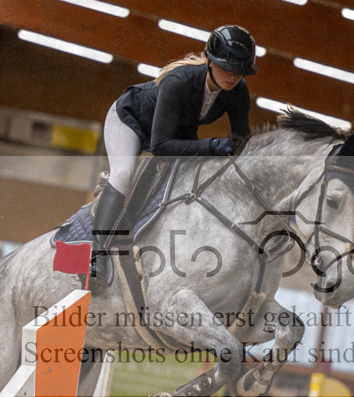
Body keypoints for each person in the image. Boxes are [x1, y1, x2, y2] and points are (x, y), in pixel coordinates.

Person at [91, 24, 258, 284]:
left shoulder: (238, 92)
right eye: (227, 67)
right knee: (124, 173)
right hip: (130, 119)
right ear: (210, 62)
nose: (233, 76)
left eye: (240, 71)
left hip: (177, 129)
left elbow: (241, 139)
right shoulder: (178, 81)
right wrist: (212, 146)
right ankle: (97, 254)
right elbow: (161, 148)